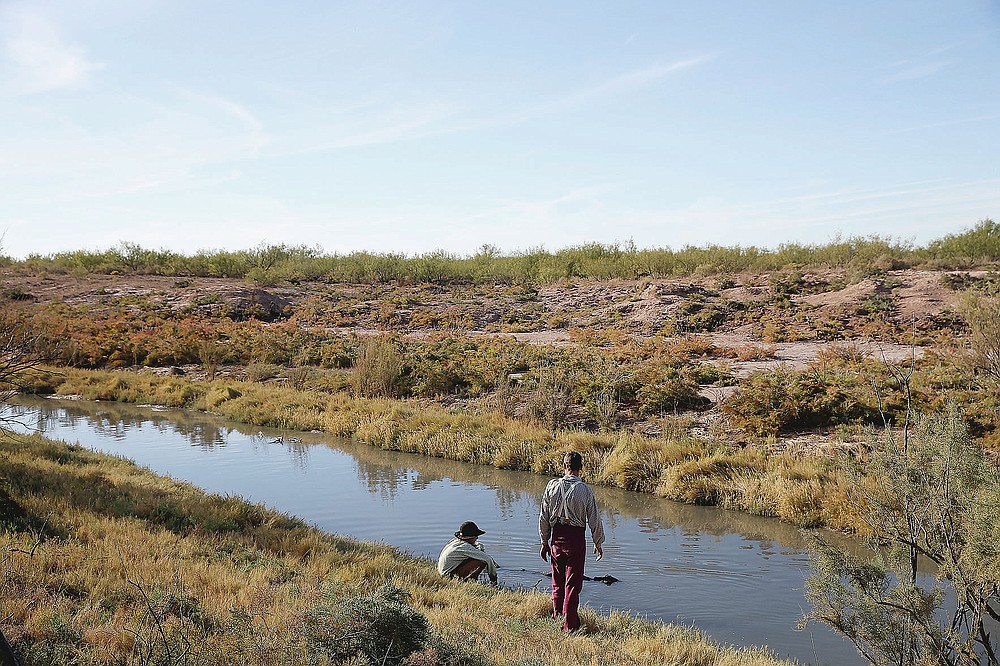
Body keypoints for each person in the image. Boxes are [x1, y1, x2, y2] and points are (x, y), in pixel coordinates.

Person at [538, 451, 605, 632]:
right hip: (576, 539)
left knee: (557, 583)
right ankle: (570, 627)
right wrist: (598, 542)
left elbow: (543, 517)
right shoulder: (585, 490)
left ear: (564, 466)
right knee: (573, 586)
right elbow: (594, 519)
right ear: (580, 468)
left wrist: (544, 542)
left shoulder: (551, 486)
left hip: (556, 538)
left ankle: (557, 620)